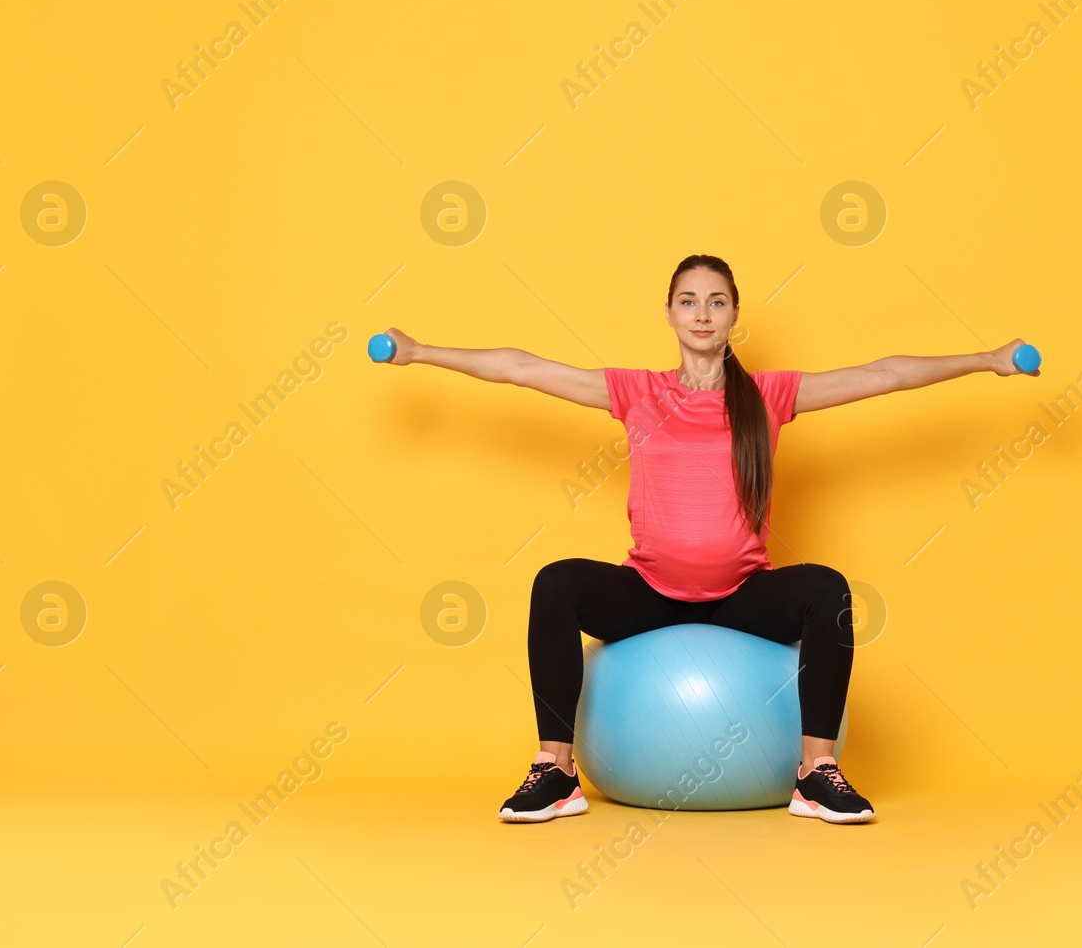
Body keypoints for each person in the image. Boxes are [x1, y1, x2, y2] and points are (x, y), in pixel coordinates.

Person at [377, 254, 1038, 824]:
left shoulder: (767, 396)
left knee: (826, 589)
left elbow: (884, 374)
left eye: (716, 301)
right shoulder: (638, 392)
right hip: (648, 595)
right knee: (556, 581)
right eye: (689, 301)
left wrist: (988, 360)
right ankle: (556, 771)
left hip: (742, 599)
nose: (702, 313)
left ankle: (816, 773)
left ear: (733, 316)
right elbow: (520, 367)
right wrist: (421, 350)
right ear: (668, 313)